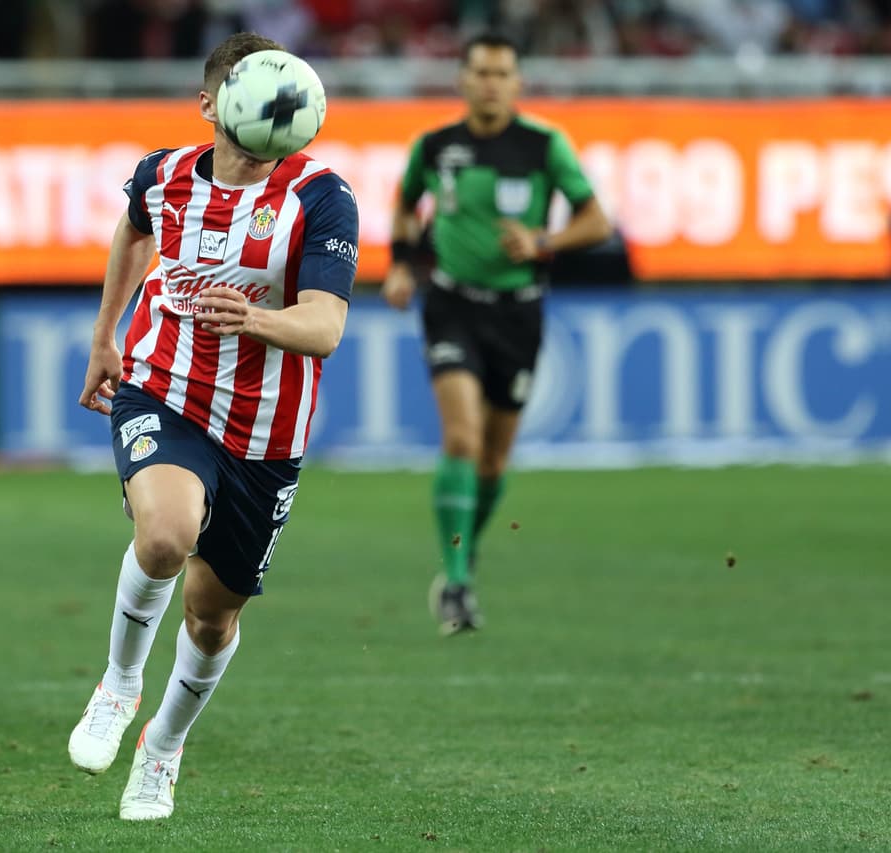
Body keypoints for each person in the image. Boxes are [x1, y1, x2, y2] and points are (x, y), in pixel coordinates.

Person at [69, 32, 358, 821]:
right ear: (211, 104)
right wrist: (106, 335)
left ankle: (162, 746)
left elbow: (326, 326)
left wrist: (258, 320)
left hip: (265, 434)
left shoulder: (322, 197)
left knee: (212, 611)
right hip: (164, 391)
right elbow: (134, 228)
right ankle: (118, 686)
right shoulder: (162, 175)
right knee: (164, 535)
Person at [381, 31, 612, 636]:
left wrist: (544, 241)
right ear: (461, 79)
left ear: (517, 83)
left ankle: (464, 552)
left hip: (519, 310)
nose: (490, 83)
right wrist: (403, 263)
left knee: (495, 456)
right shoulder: (435, 147)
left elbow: (596, 220)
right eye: (481, 72)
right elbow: (406, 205)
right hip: (452, 304)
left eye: (502, 73)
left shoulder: (542, 146)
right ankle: (455, 582)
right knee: (461, 438)